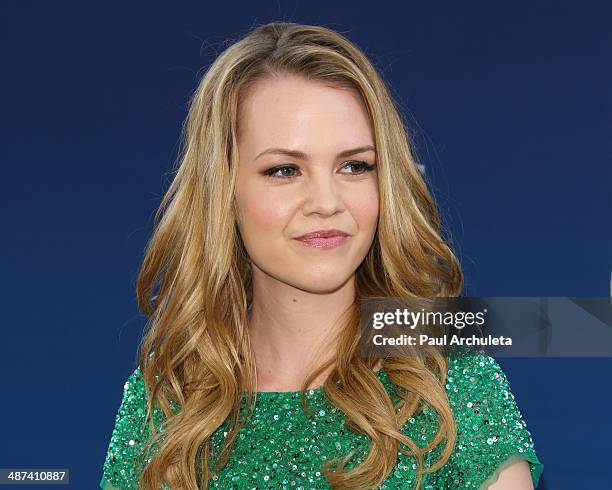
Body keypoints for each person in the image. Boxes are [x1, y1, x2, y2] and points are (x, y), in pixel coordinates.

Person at [100, 21, 543, 489]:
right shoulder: (166, 403)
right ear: (224, 192)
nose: (327, 202)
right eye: (285, 169)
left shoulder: (447, 383)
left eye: (355, 166)